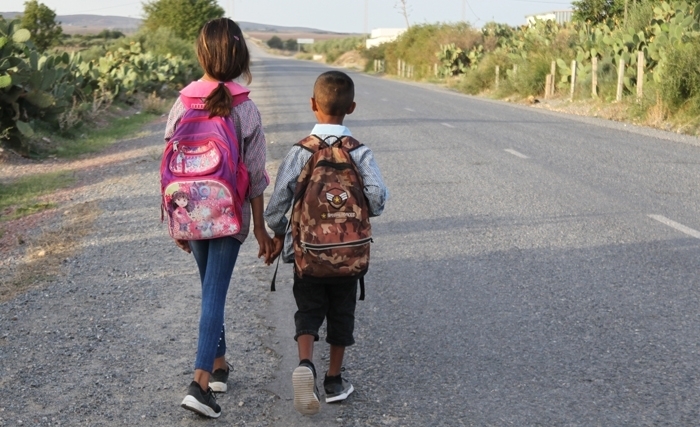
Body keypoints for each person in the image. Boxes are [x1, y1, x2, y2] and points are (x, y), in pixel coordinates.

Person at [163, 18, 274, 419]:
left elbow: (169, 165)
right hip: (228, 218)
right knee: (214, 294)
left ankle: (221, 364)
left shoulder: (182, 102)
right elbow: (257, 176)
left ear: (202, 55)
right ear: (241, 57)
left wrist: (176, 216)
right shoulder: (245, 107)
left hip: (190, 211)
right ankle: (200, 382)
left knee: (210, 289)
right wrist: (259, 228)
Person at [265, 70, 388, 415]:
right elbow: (377, 197)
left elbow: (278, 202)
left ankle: (305, 364)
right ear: (351, 107)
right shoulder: (360, 152)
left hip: (309, 253)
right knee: (342, 312)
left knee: (308, 308)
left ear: (312, 105)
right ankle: (334, 380)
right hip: (349, 254)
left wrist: (277, 235)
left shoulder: (301, 151)